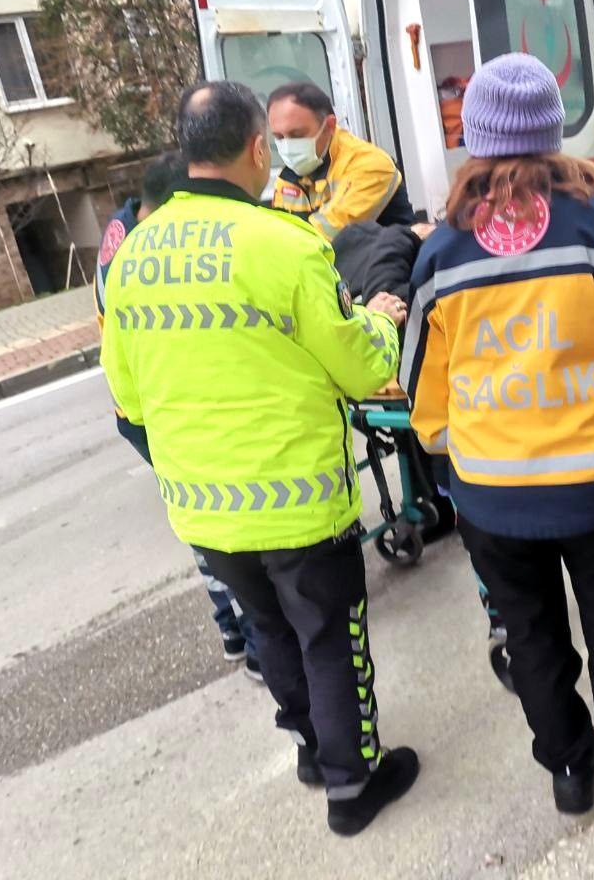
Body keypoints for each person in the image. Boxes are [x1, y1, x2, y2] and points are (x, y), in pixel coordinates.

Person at [100, 80, 419, 836]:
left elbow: (129, 398)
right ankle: (352, 786)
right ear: (255, 148)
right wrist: (378, 320)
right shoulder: (287, 244)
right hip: (298, 503)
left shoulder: (134, 255)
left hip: (204, 511)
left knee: (270, 632)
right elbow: (357, 369)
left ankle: (312, 751)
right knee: (329, 642)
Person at [403, 54, 594, 828]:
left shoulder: (441, 253)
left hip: (493, 500)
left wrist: (453, 444)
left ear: (474, 140)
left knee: (532, 642)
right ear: (552, 133)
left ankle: (571, 770)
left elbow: (422, 391)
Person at [94, 152, 262, 673]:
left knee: (205, 523)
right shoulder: (144, 251)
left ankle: (234, 632)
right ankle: (253, 640)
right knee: (226, 528)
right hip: (165, 404)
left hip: (147, 404)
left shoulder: (123, 229)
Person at [267, 82, 414, 243]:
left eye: (297, 134)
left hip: (383, 263)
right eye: (279, 137)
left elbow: (326, 234)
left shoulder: (369, 164)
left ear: (329, 125)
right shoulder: (288, 177)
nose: (288, 146)